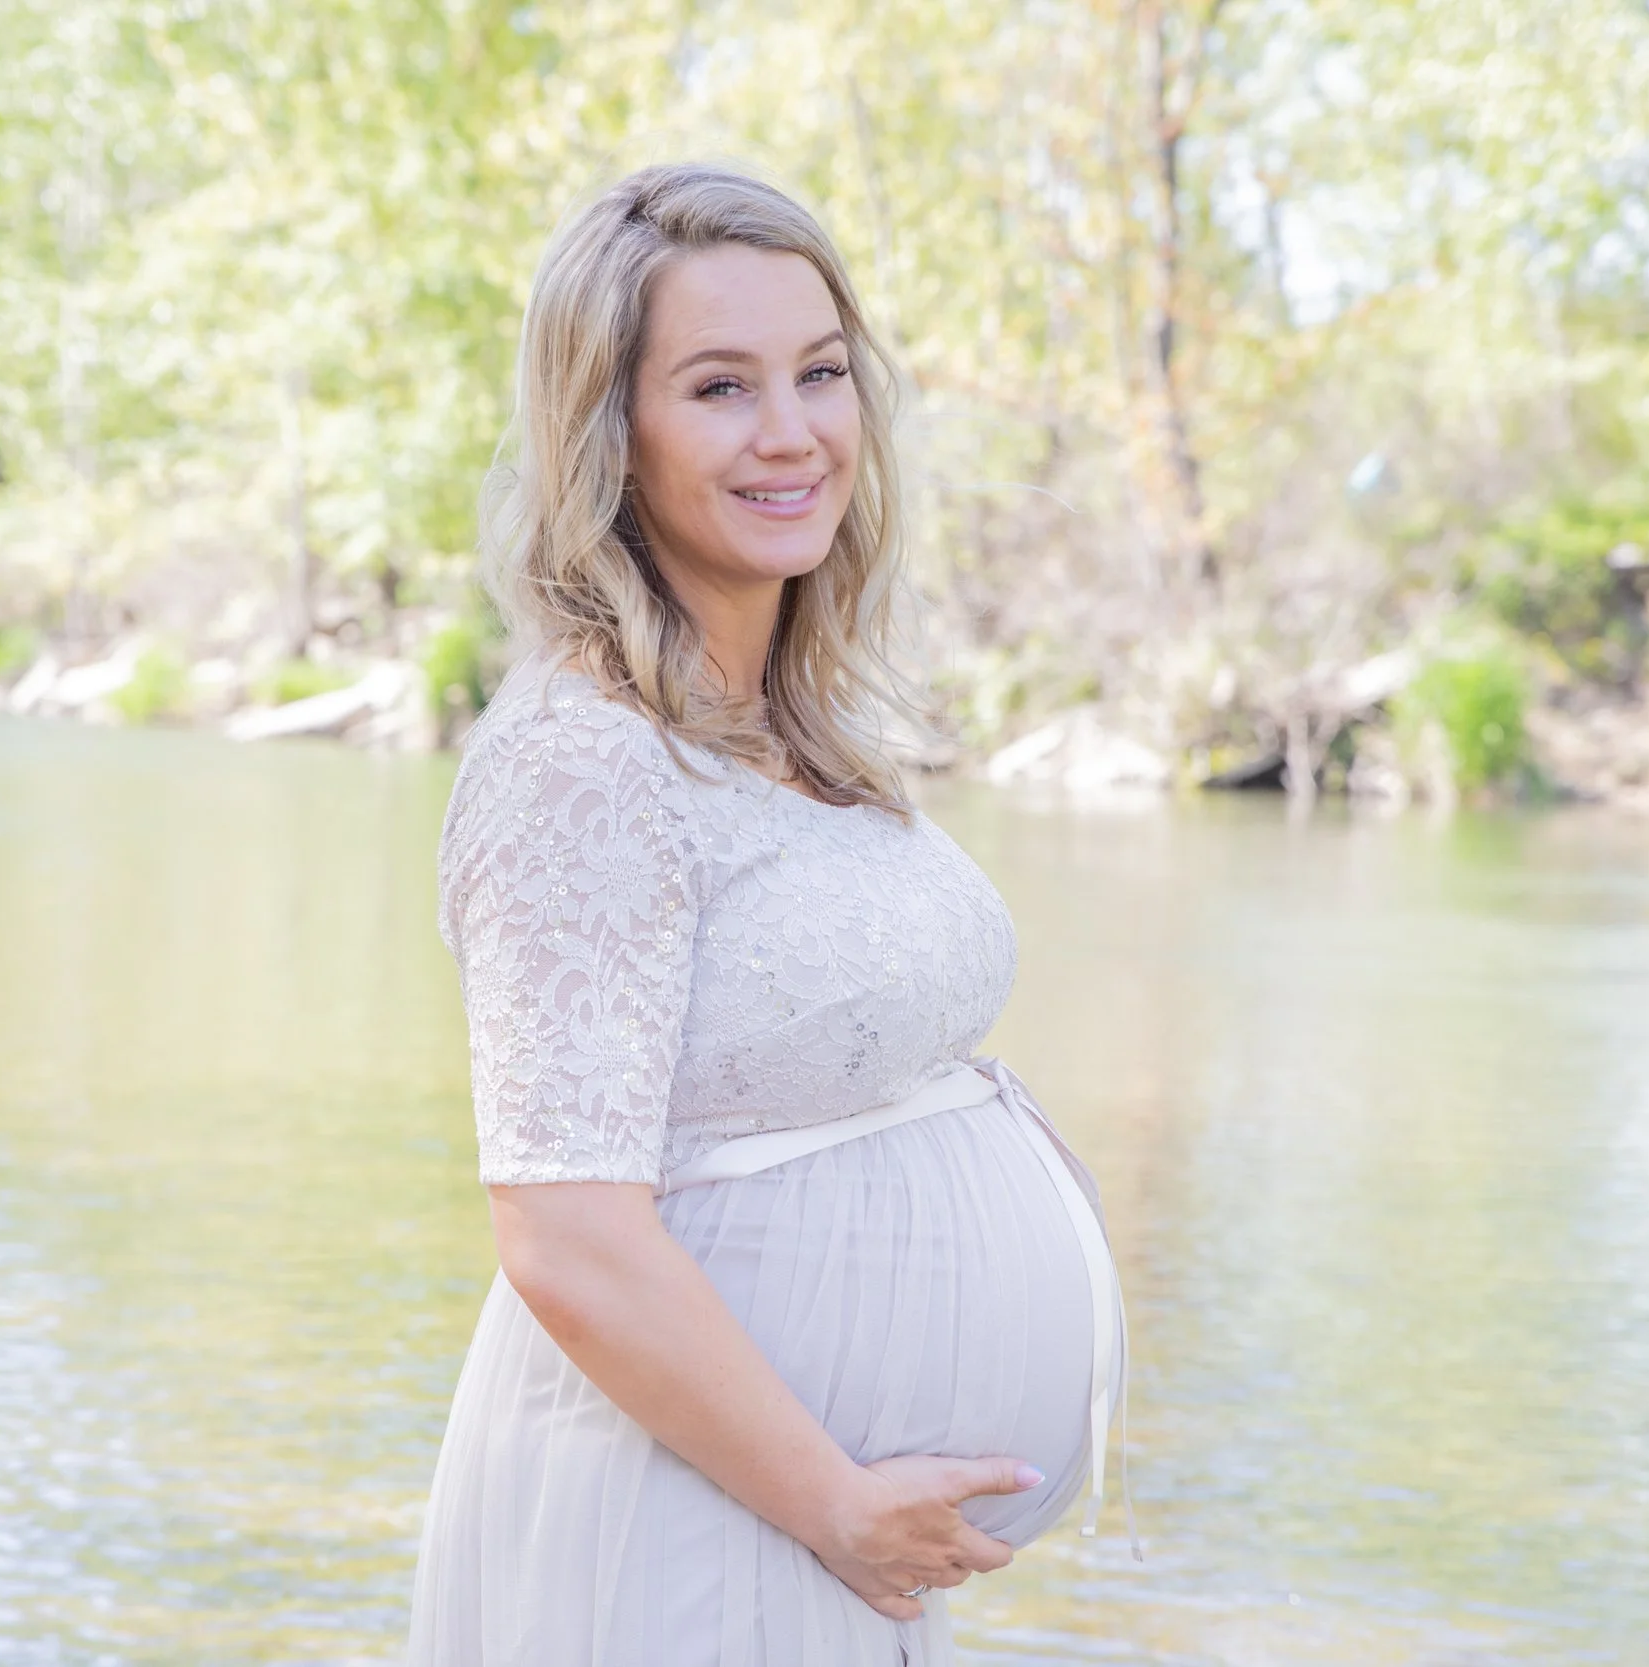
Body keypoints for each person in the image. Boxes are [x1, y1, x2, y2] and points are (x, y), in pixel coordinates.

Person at [406, 161, 1130, 1666]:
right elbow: (563, 1229)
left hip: (811, 1529)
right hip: (688, 1514)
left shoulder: (791, 722)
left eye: (819, 373)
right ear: (612, 432)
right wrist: (835, 1502)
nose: (792, 432)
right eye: (721, 387)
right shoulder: (578, 762)